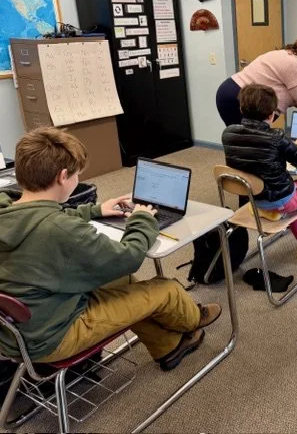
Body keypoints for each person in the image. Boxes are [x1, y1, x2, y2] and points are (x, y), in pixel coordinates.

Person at [0, 128, 222, 371]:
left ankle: (168, 346)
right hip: (54, 336)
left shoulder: (7, 206)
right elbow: (128, 257)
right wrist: (142, 219)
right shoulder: (61, 230)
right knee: (165, 289)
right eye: (76, 175)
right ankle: (192, 320)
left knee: (122, 282)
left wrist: (95, 210)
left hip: (20, 328)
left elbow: (41, 215)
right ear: (63, 176)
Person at [221, 84, 297, 265]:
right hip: (280, 200)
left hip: (252, 199)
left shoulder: (228, 133)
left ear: (241, 109)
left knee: (291, 191)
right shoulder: (276, 137)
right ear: (272, 114)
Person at [216, 35, 297, 126]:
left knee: (239, 142)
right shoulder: (295, 64)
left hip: (230, 91)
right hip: (239, 98)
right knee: (248, 143)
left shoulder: (285, 54)